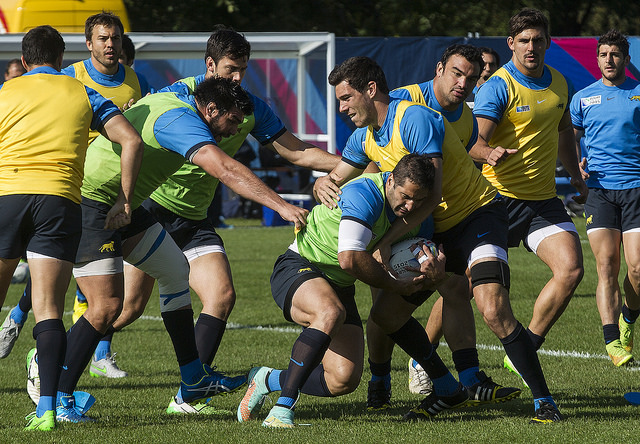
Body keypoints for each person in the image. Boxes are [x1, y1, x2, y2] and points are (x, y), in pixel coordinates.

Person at [26, 76, 309, 424]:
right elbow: (224, 168)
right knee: (108, 306)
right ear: (211, 110)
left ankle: (193, 377)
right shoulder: (180, 120)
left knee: (176, 270)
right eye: (232, 121)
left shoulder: (183, 102)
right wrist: (281, 206)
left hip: (124, 204)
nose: (235, 131)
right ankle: (58, 389)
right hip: (91, 201)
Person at [103, 27, 341, 414]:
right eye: (231, 69)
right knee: (123, 308)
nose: (237, 79)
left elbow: (297, 153)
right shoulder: (178, 100)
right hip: (153, 211)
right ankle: (53, 359)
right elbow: (225, 169)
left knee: (222, 295)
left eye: (243, 70)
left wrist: (358, 165)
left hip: (194, 219)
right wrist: (281, 205)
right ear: (209, 64)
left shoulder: (250, 108)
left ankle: (187, 396)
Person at [314, 56, 558, 423]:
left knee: (491, 306)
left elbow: (431, 194)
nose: (342, 107)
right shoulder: (365, 138)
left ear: (370, 90)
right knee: (386, 314)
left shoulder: (412, 118)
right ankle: (452, 386)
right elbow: (337, 175)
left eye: (346, 97)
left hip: (478, 216)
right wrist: (322, 181)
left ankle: (544, 401)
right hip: (434, 231)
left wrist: (384, 242)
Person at [0, 25, 143, 431]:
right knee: (49, 309)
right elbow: (131, 140)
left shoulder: (5, 92)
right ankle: (47, 410)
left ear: (25, 61)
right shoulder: (82, 91)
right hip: (60, 201)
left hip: (7, 197)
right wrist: (125, 200)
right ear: (62, 59)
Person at [238, 154, 447, 428]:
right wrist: (394, 283)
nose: (410, 206)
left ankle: (266, 379)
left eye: (418, 201)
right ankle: (281, 411)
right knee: (329, 311)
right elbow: (349, 259)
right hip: (301, 265)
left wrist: (432, 272)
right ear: (391, 179)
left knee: (342, 379)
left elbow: (395, 259)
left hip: (340, 285)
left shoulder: (412, 218)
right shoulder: (365, 193)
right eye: (406, 196)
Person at [363, 44, 519, 406]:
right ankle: (380, 377)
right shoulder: (404, 101)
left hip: (444, 222)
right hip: (399, 223)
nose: (464, 83)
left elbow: (457, 160)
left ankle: (461, 377)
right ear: (439, 69)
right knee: (386, 309)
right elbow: (370, 150)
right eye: (457, 73)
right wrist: (381, 212)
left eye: (474, 76)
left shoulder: (465, 118)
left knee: (456, 288)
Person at [470, 8, 588, 388]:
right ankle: (425, 363)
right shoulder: (498, 85)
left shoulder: (560, 82)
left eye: (538, 40)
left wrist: (574, 174)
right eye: (524, 41)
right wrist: (490, 153)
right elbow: (472, 141)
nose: (531, 47)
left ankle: (524, 349)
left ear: (548, 42)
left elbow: (564, 133)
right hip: (497, 201)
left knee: (570, 270)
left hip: (542, 201)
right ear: (511, 44)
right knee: (460, 286)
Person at [570, 29, 640, 366]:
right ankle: (612, 341)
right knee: (606, 266)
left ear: (626, 59)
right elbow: (569, 140)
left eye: (615, 54)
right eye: (603, 54)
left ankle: (628, 318)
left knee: (638, 269)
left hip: (636, 190)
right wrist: (576, 165)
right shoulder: (582, 98)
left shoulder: (639, 93)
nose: (609, 60)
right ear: (596, 59)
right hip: (599, 191)